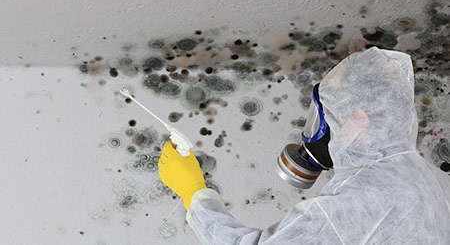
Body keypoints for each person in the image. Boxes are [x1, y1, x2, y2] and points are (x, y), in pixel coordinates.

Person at [158, 47, 450, 244]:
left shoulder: (363, 196)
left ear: (358, 120)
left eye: (328, 116)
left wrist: (194, 194)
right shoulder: (438, 183)